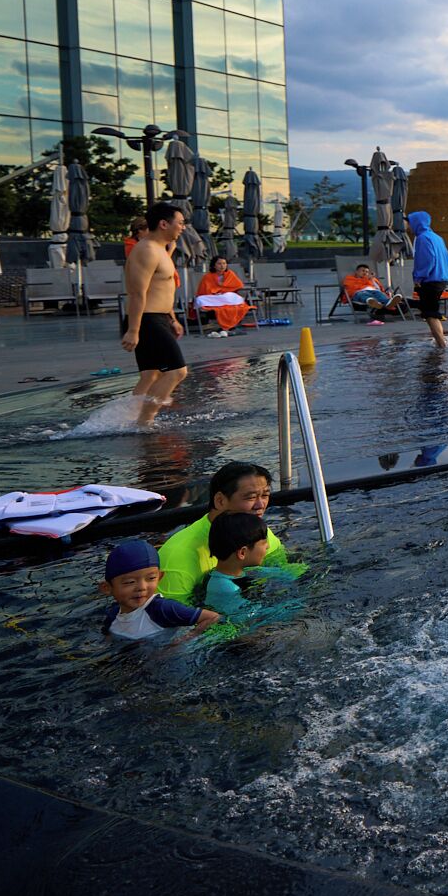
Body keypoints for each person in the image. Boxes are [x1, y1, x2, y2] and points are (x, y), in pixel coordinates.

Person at [156, 462, 300, 605]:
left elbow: (282, 568)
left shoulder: (255, 531)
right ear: (220, 500)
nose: (260, 505)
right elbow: (176, 619)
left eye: (265, 495)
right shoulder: (177, 556)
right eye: (250, 497)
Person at [120, 202, 188, 427]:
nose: (183, 227)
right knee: (178, 372)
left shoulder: (160, 249)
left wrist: (173, 319)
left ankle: (128, 418)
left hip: (157, 318)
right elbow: (138, 293)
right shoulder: (147, 250)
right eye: (180, 223)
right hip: (146, 320)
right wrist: (133, 330)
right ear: (163, 223)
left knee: (151, 375)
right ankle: (145, 421)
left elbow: (162, 288)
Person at [100, 538, 219, 639]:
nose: (142, 587)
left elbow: (212, 617)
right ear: (107, 588)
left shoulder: (163, 609)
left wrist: (182, 641)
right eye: (130, 582)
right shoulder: (113, 615)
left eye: (151, 578)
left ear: (159, 577)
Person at [195, 510, 273, 628]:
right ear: (242, 552)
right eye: (263, 543)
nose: (268, 546)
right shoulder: (225, 588)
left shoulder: (222, 575)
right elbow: (245, 620)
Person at [408, 210, 448, 349]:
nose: (408, 226)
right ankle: (441, 341)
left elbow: (427, 260)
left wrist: (418, 277)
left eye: (410, 222)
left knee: (429, 313)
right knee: (431, 311)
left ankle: (441, 345)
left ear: (416, 223)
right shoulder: (437, 237)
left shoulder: (422, 238)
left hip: (430, 280)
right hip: (441, 279)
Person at [193, 254, 252, 335]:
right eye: (219, 264)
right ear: (214, 265)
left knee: (231, 296)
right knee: (200, 299)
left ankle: (227, 324)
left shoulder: (230, 274)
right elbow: (203, 291)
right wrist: (215, 293)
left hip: (226, 297)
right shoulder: (208, 276)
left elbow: (238, 285)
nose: (222, 266)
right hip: (213, 297)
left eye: (224, 263)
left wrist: (223, 291)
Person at [341, 263, 407, 318]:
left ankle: (389, 303)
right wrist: (367, 279)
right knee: (363, 295)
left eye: (367, 271)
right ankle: (371, 301)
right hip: (358, 292)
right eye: (363, 271)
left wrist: (372, 280)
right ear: (357, 272)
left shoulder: (370, 279)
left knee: (380, 294)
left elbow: (379, 288)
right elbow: (352, 287)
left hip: (373, 291)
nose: (365, 273)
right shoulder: (349, 278)